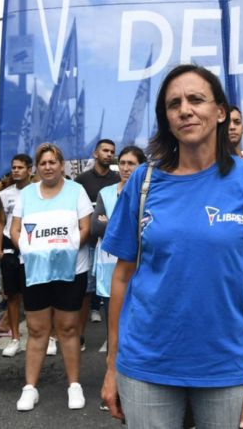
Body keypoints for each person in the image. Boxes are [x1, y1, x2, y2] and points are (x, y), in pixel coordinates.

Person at [100, 64, 243, 429]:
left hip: (228, 367)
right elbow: (121, 278)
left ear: (220, 112)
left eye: (196, 99)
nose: (184, 109)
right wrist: (112, 367)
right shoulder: (143, 181)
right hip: (145, 364)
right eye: (174, 104)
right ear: (167, 119)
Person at [9, 143, 93, 411]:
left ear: (61, 165)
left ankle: (74, 386)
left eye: (52, 162)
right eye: (43, 163)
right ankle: (30, 388)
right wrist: (32, 250)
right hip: (35, 270)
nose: (48, 167)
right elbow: (15, 230)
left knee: (68, 328)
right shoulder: (27, 195)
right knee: (36, 329)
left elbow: (85, 228)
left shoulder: (76, 191)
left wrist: (63, 251)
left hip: (70, 270)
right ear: (37, 167)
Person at [91, 146, 146, 308]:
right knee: (113, 325)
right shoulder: (106, 193)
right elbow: (95, 228)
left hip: (139, 268)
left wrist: (110, 223)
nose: (125, 168)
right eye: (122, 163)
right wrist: (131, 227)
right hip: (110, 268)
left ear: (141, 166)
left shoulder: (149, 194)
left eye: (131, 163)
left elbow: (147, 232)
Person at [75, 139, 119, 330]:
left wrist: (109, 223)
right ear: (95, 154)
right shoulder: (82, 180)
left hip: (110, 245)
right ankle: (79, 334)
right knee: (84, 290)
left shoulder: (118, 180)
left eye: (112, 151)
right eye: (105, 150)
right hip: (86, 242)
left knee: (114, 290)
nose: (109, 154)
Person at [0, 153, 33, 357]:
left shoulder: (37, 192)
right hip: (9, 247)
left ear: (29, 169)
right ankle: (15, 338)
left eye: (20, 167)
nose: (16, 170)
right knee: (12, 295)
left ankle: (45, 336)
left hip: (30, 243)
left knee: (34, 295)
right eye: (14, 167)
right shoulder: (5, 194)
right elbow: (1, 221)